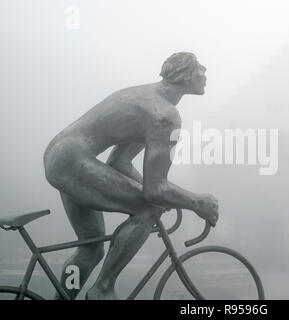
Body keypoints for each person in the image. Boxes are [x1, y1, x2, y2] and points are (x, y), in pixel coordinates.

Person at [43, 52, 219, 299]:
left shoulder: (149, 98)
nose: (206, 71)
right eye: (201, 66)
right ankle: (102, 289)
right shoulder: (164, 116)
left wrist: (171, 196)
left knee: (92, 249)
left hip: (62, 156)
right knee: (148, 210)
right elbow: (155, 190)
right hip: (72, 161)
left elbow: (120, 163)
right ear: (186, 74)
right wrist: (196, 202)